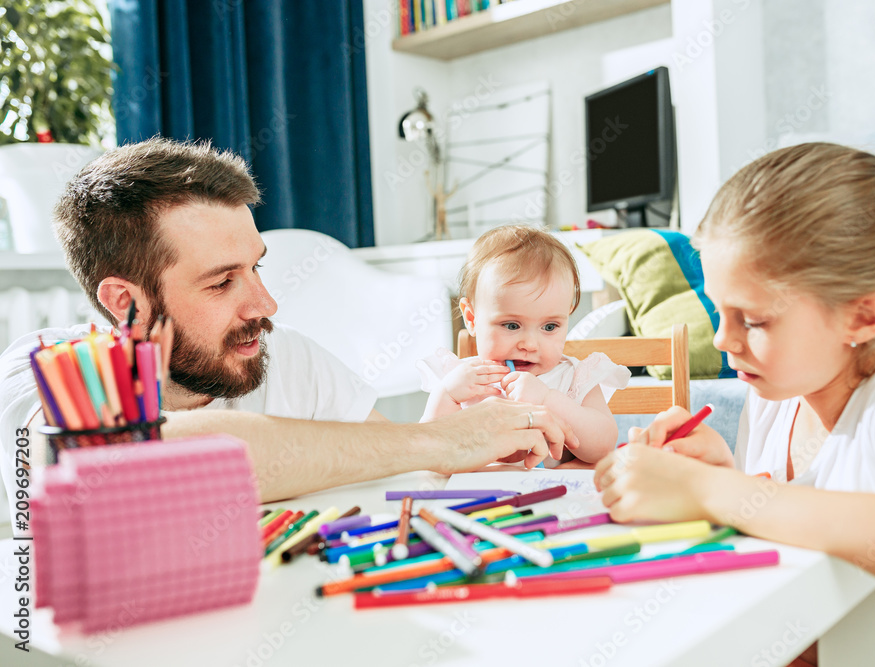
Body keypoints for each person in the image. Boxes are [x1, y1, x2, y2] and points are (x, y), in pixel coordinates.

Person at [0, 138, 577, 518]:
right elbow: (145, 457)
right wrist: (444, 439)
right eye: (222, 282)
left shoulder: (288, 358)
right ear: (126, 303)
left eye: (257, 266)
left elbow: (400, 465)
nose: (265, 304)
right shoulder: (43, 376)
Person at [594, 143, 875, 666]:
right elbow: (803, 539)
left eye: (754, 320)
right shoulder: (775, 397)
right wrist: (721, 477)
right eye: (719, 311)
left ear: (862, 317)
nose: (722, 340)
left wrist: (715, 491)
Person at [418, 225, 629, 465]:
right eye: (511, 325)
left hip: (552, 498)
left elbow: (602, 447)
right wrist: (446, 395)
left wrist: (547, 398)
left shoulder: (574, 378)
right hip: (478, 499)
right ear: (472, 319)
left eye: (549, 327)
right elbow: (428, 452)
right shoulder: (461, 381)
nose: (529, 344)